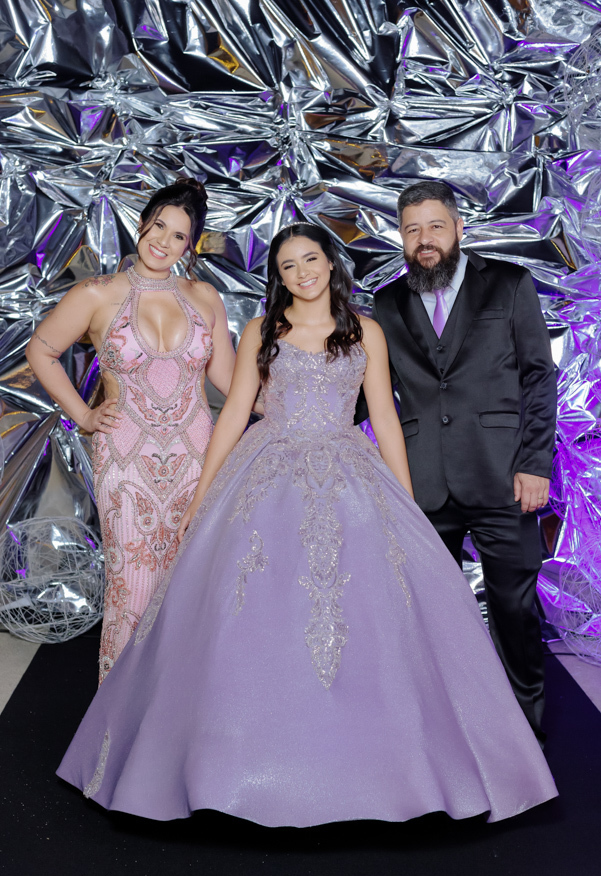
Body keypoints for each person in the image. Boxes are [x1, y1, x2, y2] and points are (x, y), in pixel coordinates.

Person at [57, 223, 557, 827]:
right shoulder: (260, 330)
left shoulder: (365, 330)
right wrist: (201, 498)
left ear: (330, 263)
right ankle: (227, 762)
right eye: (288, 266)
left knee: (364, 614)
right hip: (266, 470)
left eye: (311, 259)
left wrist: (405, 503)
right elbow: (234, 412)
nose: (302, 273)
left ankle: (380, 765)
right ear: (279, 277)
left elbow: (386, 419)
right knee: (249, 608)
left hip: (348, 474)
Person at [355, 181, 557, 744]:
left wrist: (535, 464)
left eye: (435, 227)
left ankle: (525, 733)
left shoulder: (510, 284)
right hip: (420, 482)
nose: (424, 240)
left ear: (459, 229)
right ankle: (441, 730)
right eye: (412, 229)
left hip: (503, 476)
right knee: (425, 612)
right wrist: (299, 414)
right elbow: (372, 390)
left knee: (514, 610)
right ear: (401, 236)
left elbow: (539, 377)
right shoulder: (388, 303)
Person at [26, 177, 237, 682]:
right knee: (133, 589)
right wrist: (83, 416)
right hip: (126, 461)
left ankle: (179, 714)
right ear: (142, 224)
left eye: (179, 235)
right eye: (158, 226)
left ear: (190, 246)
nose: (163, 241)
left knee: (189, 590)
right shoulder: (97, 293)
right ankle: (121, 719)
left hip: (196, 461)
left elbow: (232, 382)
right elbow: (41, 350)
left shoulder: (205, 297)